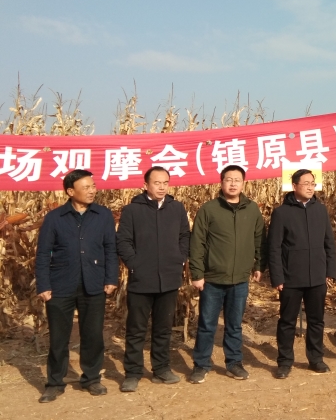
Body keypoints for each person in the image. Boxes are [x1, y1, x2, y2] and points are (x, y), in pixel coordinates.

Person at [34, 169, 118, 403]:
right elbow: (43, 254)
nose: (92, 191)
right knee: (59, 338)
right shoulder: (54, 218)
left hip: (94, 282)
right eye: (86, 187)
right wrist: (43, 284)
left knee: (93, 335)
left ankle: (91, 379)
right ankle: (54, 383)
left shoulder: (103, 215)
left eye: (93, 186)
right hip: (60, 284)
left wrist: (111, 278)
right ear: (71, 191)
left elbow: (110, 249)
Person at [116, 166, 191, 392]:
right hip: (141, 279)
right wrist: (135, 264)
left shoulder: (176, 208)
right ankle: (133, 373)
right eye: (157, 183)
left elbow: (185, 236)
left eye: (165, 183)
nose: (162, 187)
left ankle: (161, 369)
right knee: (136, 329)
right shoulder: (132, 210)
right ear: (145, 185)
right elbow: (123, 241)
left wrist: (179, 258)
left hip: (168, 279)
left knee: (163, 328)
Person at [189, 165, 264, 383]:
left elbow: (259, 239)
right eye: (228, 179)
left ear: (243, 183)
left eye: (237, 180)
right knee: (207, 325)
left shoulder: (252, 209)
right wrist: (197, 273)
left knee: (234, 325)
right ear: (221, 183)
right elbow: (197, 243)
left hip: (239, 279)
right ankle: (201, 365)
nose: (233, 184)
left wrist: (259, 265)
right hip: (212, 279)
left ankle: (234, 363)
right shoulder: (209, 209)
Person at [265, 169, 336, 379]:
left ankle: (316, 359)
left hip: (317, 276)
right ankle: (284, 362)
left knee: (316, 320)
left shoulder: (320, 210)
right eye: (305, 183)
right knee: (287, 321)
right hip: (291, 278)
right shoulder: (282, 213)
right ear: (294, 186)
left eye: (312, 183)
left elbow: (329, 243)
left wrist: (329, 270)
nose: (310, 187)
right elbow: (274, 248)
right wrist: (277, 277)